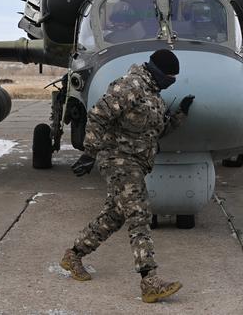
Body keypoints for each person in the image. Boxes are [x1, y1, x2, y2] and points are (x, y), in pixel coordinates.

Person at [59, 49, 195, 303]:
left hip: (136, 163)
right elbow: (98, 115)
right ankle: (149, 281)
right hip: (118, 160)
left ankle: (74, 255)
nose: (172, 82)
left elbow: (155, 132)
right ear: (158, 72)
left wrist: (180, 114)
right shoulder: (129, 86)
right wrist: (89, 153)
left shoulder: (153, 96)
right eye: (170, 77)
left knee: (114, 216)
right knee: (139, 215)